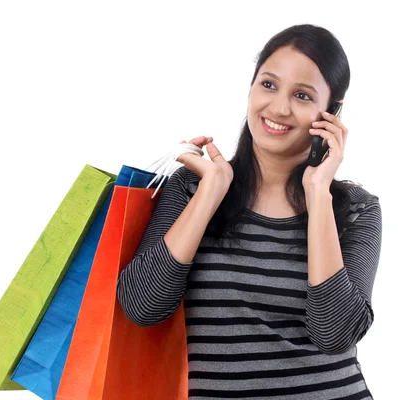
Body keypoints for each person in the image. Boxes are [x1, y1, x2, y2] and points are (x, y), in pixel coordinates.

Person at [116, 24, 382, 400]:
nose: (279, 107)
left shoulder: (356, 209)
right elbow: (142, 307)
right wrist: (210, 193)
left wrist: (318, 192)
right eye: (269, 85)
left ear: (331, 113)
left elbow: (335, 334)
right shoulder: (192, 185)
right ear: (252, 86)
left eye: (303, 95)